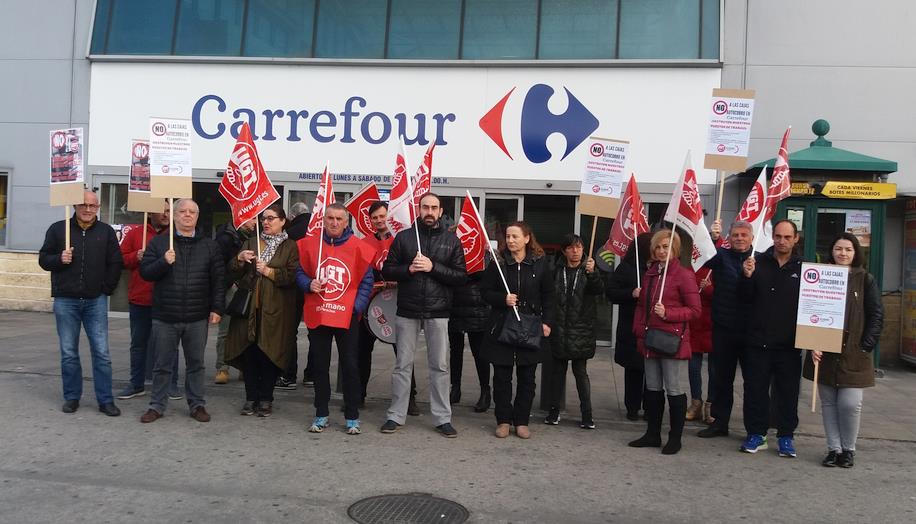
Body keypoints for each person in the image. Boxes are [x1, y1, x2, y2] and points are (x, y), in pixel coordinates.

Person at [379, 192, 466, 437]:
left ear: (440, 211)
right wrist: (408, 269)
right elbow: (388, 270)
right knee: (402, 366)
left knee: (439, 366)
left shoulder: (452, 241)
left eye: (434, 207)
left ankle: (442, 418)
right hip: (408, 309)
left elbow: (460, 276)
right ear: (419, 209)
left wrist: (432, 267)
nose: (429, 211)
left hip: (438, 312)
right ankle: (396, 415)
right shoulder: (404, 238)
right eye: (425, 207)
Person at [138, 199, 225, 423]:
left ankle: (197, 404)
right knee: (162, 365)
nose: (187, 215)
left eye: (192, 212)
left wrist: (217, 307)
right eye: (182, 211)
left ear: (197, 216)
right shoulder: (159, 243)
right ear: (174, 215)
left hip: (197, 317)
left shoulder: (209, 246)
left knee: (196, 364)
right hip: (165, 316)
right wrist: (163, 262)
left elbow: (218, 279)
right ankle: (157, 406)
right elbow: (146, 272)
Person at [39, 190, 123, 416]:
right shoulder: (58, 230)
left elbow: (116, 262)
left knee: (102, 353)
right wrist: (59, 259)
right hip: (66, 300)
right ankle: (72, 397)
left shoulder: (106, 232)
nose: (87, 209)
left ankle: (105, 400)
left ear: (98, 208)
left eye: (92, 206)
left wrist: (106, 289)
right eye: (83, 204)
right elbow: (43, 259)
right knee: (68, 352)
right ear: (74, 205)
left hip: (95, 301)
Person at [803, 233, 883, 468]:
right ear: (832, 251)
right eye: (838, 248)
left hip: (854, 353)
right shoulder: (821, 276)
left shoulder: (865, 279)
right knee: (828, 403)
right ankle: (833, 449)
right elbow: (810, 310)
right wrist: (812, 343)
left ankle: (849, 449)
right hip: (825, 351)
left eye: (848, 249)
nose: (843, 253)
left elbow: (876, 314)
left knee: (850, 404)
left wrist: (865, 345)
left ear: (855, 252)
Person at [297, 203, 374, 434]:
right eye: (330, 218)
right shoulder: (310, 245)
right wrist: (309, 284)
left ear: (346, 222)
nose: (334, 222)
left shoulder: (359, 247)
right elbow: (299, 272)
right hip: (320, 312)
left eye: (339, 219)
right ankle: (321, 412)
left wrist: (355, 307)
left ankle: (352, 415)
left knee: (350, 365)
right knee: (320, 365)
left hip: (346, 316)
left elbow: (367, 281)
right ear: (324, 219)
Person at [481, 221, 555, 439]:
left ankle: (522, 420)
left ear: (527, 238)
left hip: (530, 327)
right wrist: (501, 299)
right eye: (508, 237)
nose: (511, 240)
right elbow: (484, 291)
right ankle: (503, 420)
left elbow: (550, 296)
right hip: (503, 326)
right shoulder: (499, 263)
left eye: (515, 236)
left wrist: (547, 322)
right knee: (502, 377)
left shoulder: (540, 264)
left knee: (527, 377)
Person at [628, 230, 700, 455]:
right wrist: (639, 331)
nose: (661, 251)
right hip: (650, 339)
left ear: (675, 250)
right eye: (658, 247)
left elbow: (695, 310)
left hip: (672, 342)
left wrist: (668, 313)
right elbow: (641, 308)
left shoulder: (684, 275)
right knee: (652, 389)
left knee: (674, 389)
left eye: (666, 247)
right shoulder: (650, 274)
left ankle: (675, 438)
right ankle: (652, 434)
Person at [224, 204, 300, 417]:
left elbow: (292, 276)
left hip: (275, 310)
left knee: (269, 353)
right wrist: (239, 260)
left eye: (271, 218)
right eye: (263, 219)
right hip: (248, 309)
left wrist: (268, 270)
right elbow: (231, 271)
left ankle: (266, 398)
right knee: (249, 353)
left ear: (283, 221)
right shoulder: (250, 241)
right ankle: (250, 398)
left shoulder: (290, 246)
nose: (265, 222)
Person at [738, 220, 804, 456]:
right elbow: (744, 299)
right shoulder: (757, 263)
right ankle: (757, 434)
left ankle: (786, 436)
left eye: (787, 237)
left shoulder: (804, 268)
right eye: (778, 236)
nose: (782, 241)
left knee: (787, 393)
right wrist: (746, 277)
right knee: (755, 391)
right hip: (758, 342)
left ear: (796, 238)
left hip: (788, 345)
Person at [358, 201, 419, 414]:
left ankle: (410, 398)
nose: (379, 220)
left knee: (403, 354)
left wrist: (397, 277)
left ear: (388, 216)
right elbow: (362, 273)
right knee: (362, 352)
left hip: (397, 305)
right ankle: (359, 395)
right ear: (370, 221)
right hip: (370, 306)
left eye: (382, 216)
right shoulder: (364, 243)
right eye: (374, 217)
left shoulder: (402, 240)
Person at [115, 202, 181, 401]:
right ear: (150, 211)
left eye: (169, 211)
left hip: (168, 299)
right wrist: (136, 256)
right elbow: (120, 260)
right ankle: (136, 384)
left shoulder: (176, 236)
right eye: (162, 210)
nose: (166, 215)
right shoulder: (136, 233)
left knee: (170, 345)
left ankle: (172, 384)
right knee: (139, 344)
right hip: (141, 298)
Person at [697, 219, 756, 438]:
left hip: (751, 331)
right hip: (723, 327)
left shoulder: (759, 258)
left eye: (744, 235)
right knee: (721, 379)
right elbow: (704, 257)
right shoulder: (721, 256)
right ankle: (720, 423)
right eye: (736, 235)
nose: (740, 238)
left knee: (752, 382)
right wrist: (714, 238)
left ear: (751, 237)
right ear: (729, 238)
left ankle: (753, 428)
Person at [545, 233, 602, 429]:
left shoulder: (588, 268)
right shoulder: (555, 268)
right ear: (564, 250)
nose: (575, 251)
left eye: (579, 247)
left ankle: (587, 415)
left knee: (581, 373)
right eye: (571, 247)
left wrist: (593, 273)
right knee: (557, 373)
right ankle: (553, 412)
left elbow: (599, 290)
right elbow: (548, 294)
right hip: (560, 328)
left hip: (581, 330)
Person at [606, 232, 652, 420]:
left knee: (653, 372)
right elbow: (611, 292)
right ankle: (632, 407)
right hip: (631, 326)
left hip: (655, 327)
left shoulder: (662, 268)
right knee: (633, 369)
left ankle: (651, 407)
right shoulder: (626, 267)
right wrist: (631, 293)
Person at [447, 251, 492, 412]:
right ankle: (455, 388)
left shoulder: (483, 250)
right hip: (454, 305)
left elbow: (487, 274)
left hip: (477, 307)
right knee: (455, 352)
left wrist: (462, 274)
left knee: (480, 354)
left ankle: (485, 391)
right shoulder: (453, 248)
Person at [214, 217, 256, 384]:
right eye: (251, 218)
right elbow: (218, 265)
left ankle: (243, 367)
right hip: (230, 287)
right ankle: (222, 367)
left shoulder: (255, 238)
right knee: (226, 329)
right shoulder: (225, 237)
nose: (255, 222)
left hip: (247, 287)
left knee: (245, 330)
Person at [276, 201, 310, 389]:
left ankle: (288, 375)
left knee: (290, 332)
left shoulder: (288, 235)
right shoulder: (317, 230)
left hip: (293, 289)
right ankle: (311, 375)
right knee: (317, 334)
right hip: (315, 288)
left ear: (292, 217)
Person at [686, 267, 714, 423]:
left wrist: (710, 289)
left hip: (714, 322)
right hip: (695, 322)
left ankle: (711, 405)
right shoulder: (694, 264)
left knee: (714, 369)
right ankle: (695, 402)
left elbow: (730, 295)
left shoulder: (721, 263)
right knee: (693, 367)